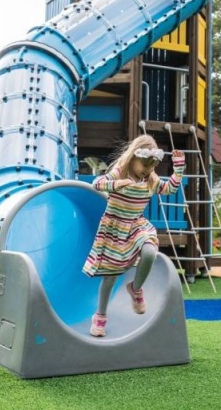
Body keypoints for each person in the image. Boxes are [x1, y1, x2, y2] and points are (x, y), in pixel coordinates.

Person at [82, 134, 185, 337]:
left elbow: (169, 189)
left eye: (152, 166)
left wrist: (178, 170)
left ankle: (136, 289)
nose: (148, 170)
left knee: (149, 252)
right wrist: (116, 185)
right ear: (133, 158)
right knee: (110, 277)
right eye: (144, 165)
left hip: (136, 224)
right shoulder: (120, 171)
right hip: (114, 227)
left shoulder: (150, 178)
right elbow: (97, 183)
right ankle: (100, 316)